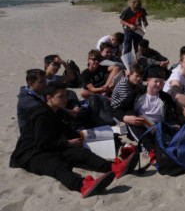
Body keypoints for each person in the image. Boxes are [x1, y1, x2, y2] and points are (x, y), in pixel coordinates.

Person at [10, 83, 138, 198]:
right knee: (58, 166)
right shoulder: (41, 115)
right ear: (49, 98)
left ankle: (113, 168)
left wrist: (83, 137)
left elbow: (66, 130)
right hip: (30, 154)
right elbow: (41, 143)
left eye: (66, 96)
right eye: (61, 97)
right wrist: (67, 143)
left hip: (51, 146)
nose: (65, 100)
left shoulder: (56, 111)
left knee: (80, 153)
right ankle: (82, 185)